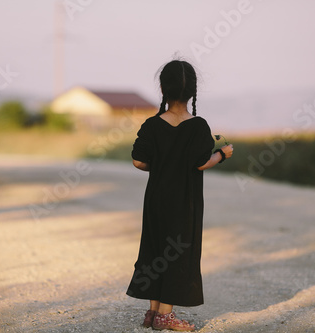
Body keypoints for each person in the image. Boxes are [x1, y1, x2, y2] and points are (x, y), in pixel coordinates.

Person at [126, 59, 233, 331]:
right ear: (192, 91)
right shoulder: (198, 126)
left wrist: (160, 165)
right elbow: (200, 163)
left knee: (154, 248)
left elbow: (138, 161)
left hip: (156, 200)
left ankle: (152, 312)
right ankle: (165, 316)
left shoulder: (152, 125)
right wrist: (221, 155)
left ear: (163, 88)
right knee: (176, 252)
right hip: (185, 202)